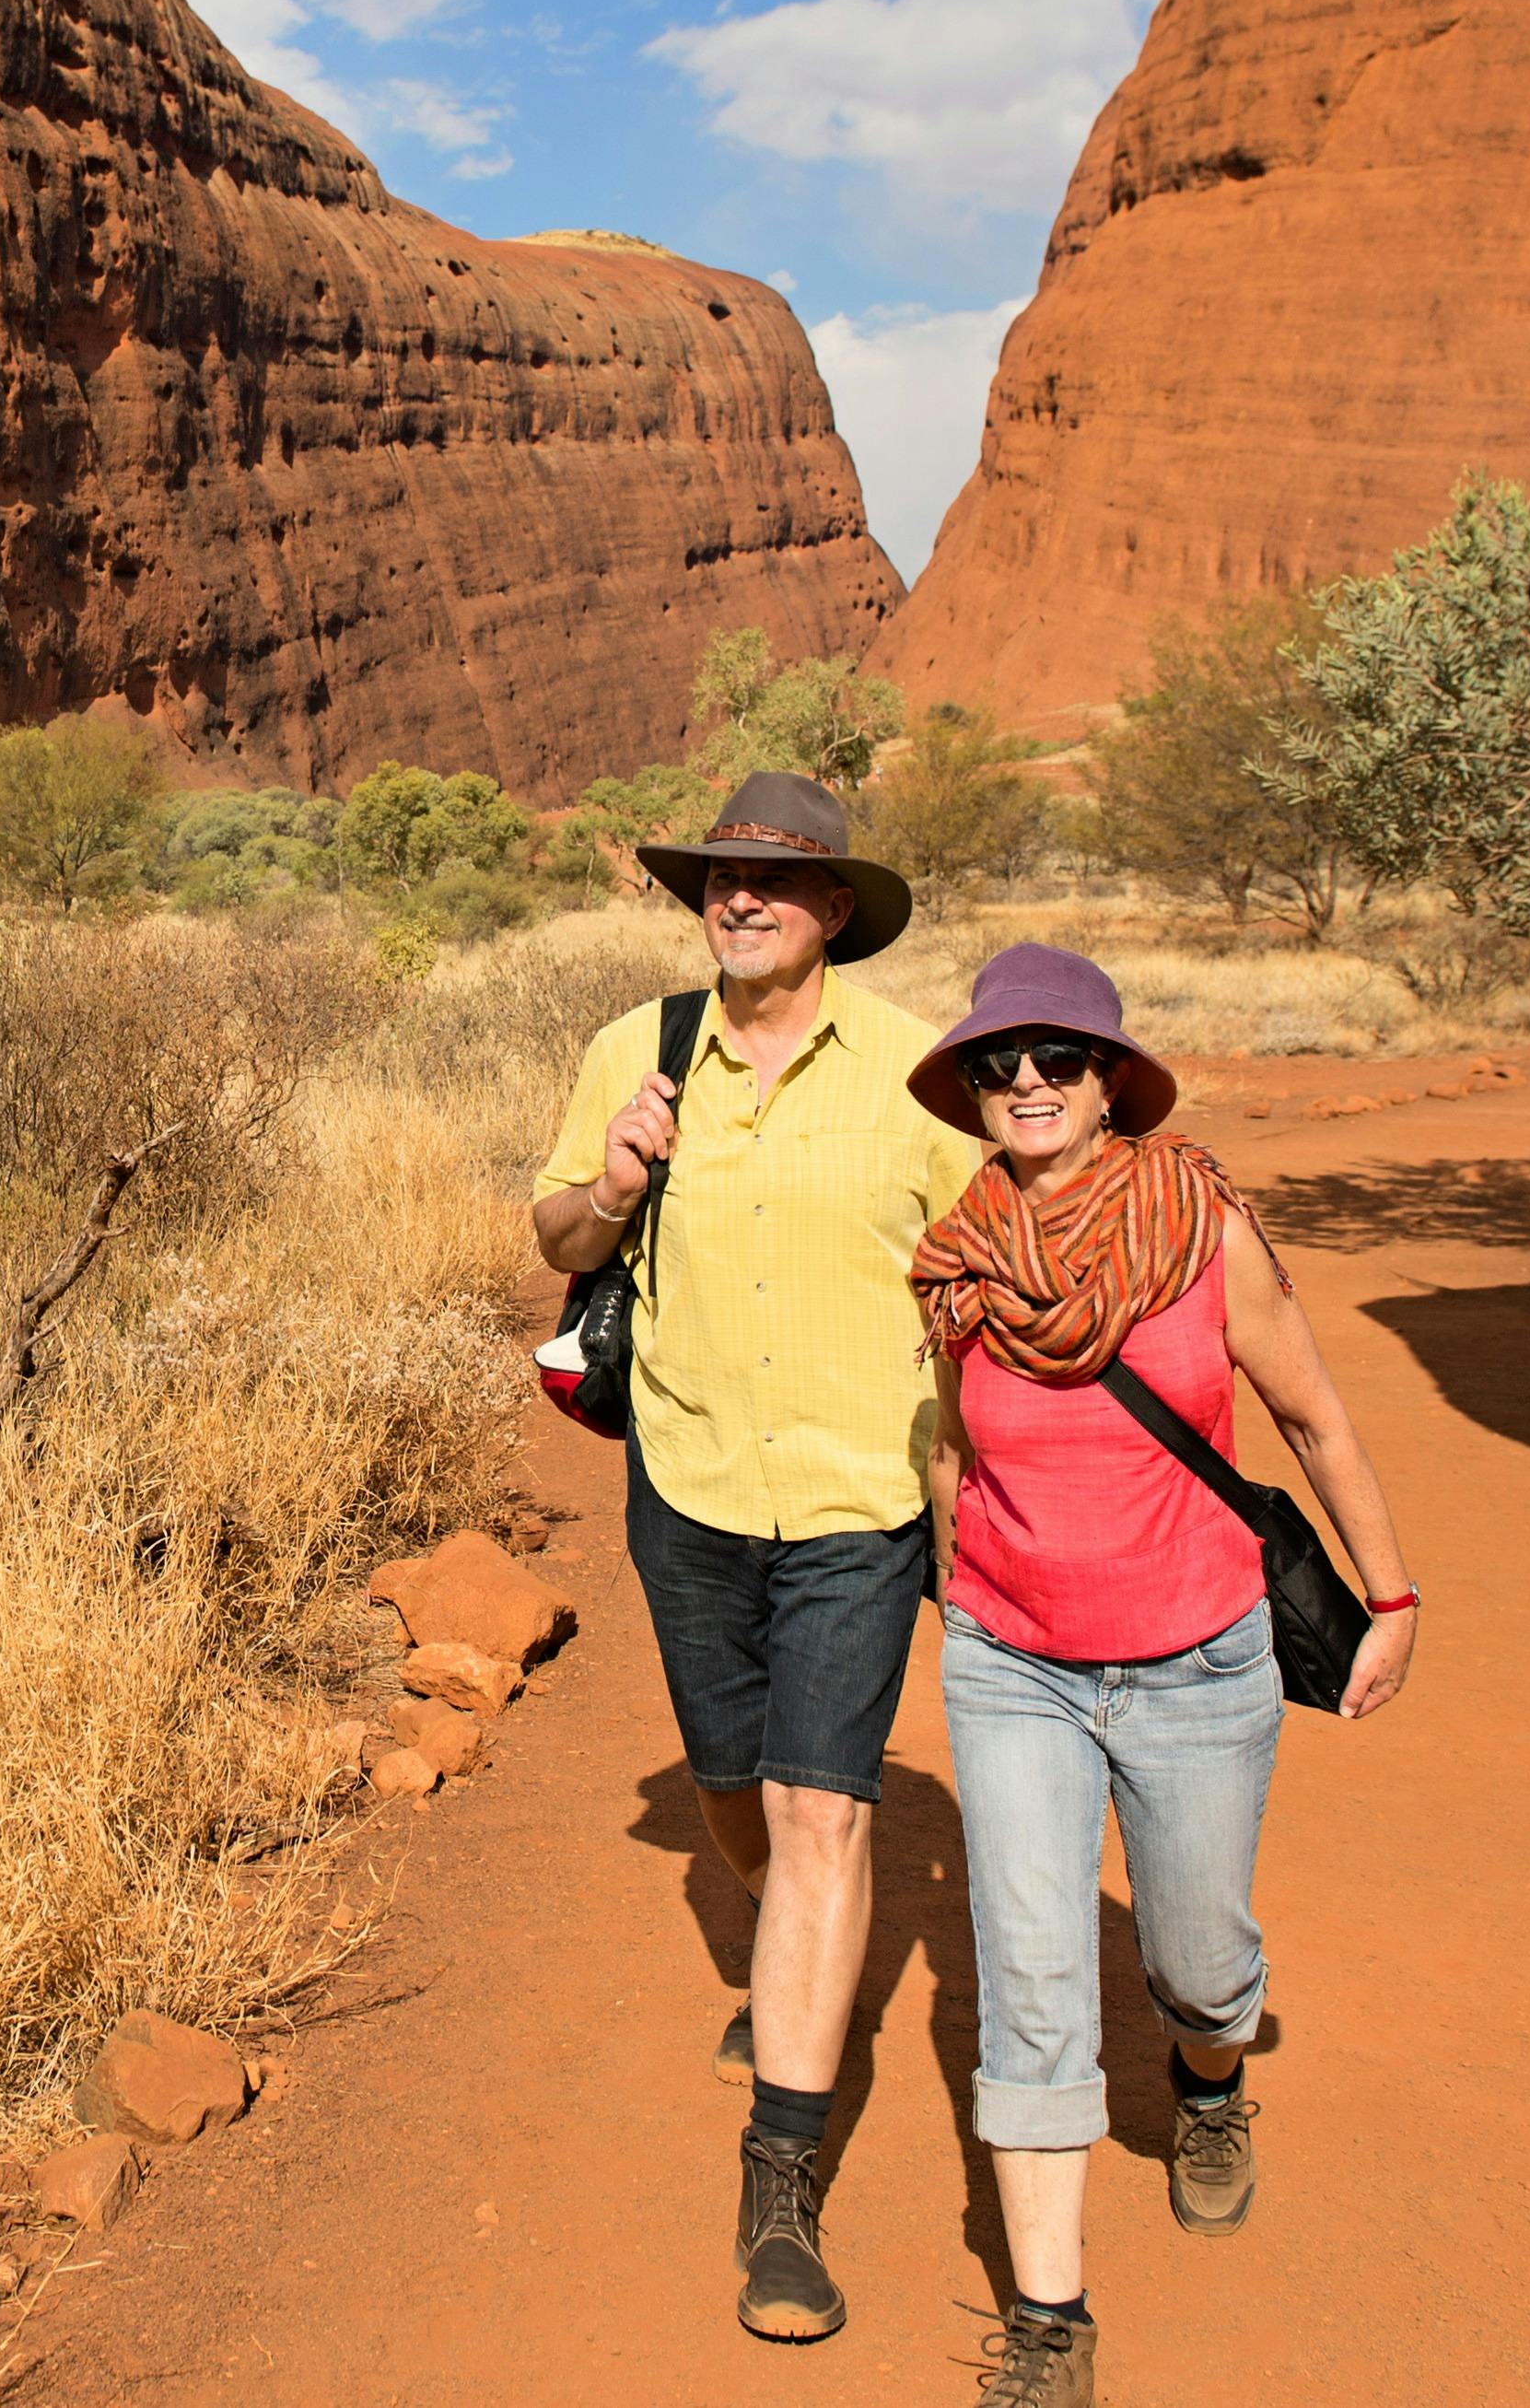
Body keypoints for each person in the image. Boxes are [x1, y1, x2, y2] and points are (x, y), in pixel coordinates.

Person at [902, 943, 1419, 2408]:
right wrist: (961, 1584)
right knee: (1032, 1976)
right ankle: (1048, 2326)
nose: (1026, 1082)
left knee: (1198, 1965)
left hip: (1198, 1658)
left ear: (1109, 1077)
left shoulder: (1198, 1227)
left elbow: (1311, 1418)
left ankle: (1208, 2080)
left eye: (1056, 1058)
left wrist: (1389, 1597)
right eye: (996, 1064)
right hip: (1016, 1664)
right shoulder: (959, 1261)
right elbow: (951, 1441)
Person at [530, 771, 980, 2345]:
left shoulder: (920, 1070)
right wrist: (611, 1184)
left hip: (861, 1500)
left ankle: (780, 2179)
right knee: (735, 1790)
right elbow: (555, 1241)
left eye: (773, 881)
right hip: (692, 1484)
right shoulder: (633, 1051)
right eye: (717, 876)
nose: (737, 897)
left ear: (833, 908)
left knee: (820, 1811)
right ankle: (794, 1950)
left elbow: (996, 1273)